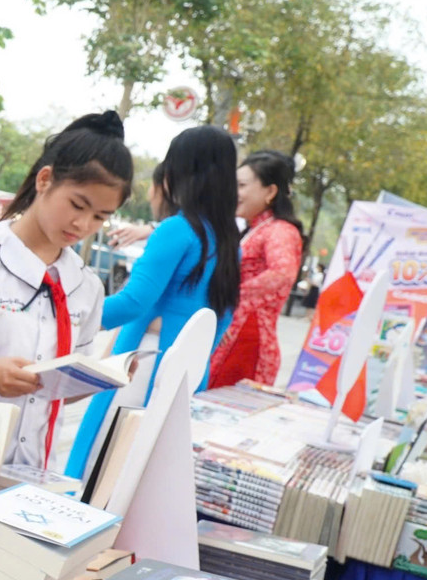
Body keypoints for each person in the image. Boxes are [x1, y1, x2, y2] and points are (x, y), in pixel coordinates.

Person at [0, 111, 133, 471]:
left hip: (33, 473)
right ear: (45, 179)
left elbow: (58, 393)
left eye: (100, 217)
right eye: (77, 205)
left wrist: (102, 378)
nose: (83, 224)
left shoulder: (86, 287)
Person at [65, 125, 242, 479]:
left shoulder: (177, 230)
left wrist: (68, 316)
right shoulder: (228, 242)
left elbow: (133, 302)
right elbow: (221, 317)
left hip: (143, 366)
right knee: (145, 475)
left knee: (103, 471)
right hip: (188, 372)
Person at [208, 150, 304, 388]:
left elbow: (282, 273)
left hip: (245, 339)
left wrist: (230, 297)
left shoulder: (280, 230)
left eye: (241, 185)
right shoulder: (257, 229)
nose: (234, 192)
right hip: (236, 334)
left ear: (270, 192)